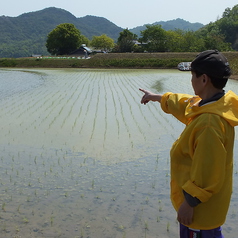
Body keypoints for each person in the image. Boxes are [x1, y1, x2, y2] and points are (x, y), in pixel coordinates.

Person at [139, 50, 238, 238]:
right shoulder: (217, 104)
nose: (191, 80)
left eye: (193, 75)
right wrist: (157, 97)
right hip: (206, 209)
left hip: (200, 213)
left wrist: (190, 203)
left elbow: (207, 172)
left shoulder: (209, 123)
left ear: (204, 79)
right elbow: (187, 104)